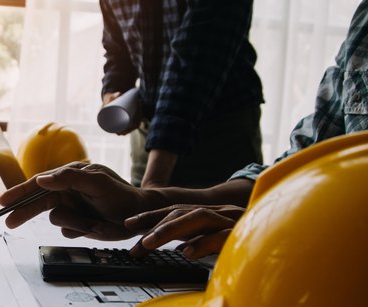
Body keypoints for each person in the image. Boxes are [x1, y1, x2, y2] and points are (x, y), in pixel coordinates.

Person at [3, 0, 368, 258]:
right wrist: (146, 200)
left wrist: (270, 228)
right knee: (173, 248)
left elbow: (192, 70)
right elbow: (303, 166)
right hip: (155, 124)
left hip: (215, 125)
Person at [100, 0, 264, 188]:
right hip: (148, 136)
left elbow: (198, 58)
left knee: (220, 216)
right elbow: (116, 48)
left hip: (220, 136)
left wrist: (155, 179)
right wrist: (113, 92)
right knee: (139, 212)